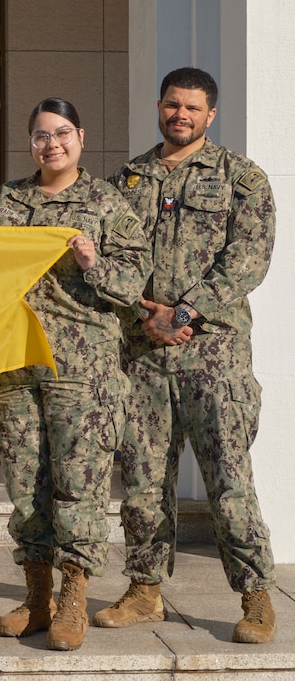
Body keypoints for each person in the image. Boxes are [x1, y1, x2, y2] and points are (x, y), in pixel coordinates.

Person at [95, 67, 277, 643]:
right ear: (159, 105)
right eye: (173, 105)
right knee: (144, 481)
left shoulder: (242, 178)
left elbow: (247, 260)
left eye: (193, 108)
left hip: (214, 355)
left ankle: (254, 598)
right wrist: (143, 316)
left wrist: (184, 313)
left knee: (229, 479)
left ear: (210, 115)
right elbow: (108, 262)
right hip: (145, 353)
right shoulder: (125, 181)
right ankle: (145, 590)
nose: (181, 115)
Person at [0, 98, 149, 651]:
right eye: (40, 136)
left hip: (83, 369)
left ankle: (75, 597)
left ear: (81, 135)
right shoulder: (5, 201)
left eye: (61, 133)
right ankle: (37, 596)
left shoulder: (107, 204)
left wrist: (95, 262)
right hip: (12, 366)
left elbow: (132, 287)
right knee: (26, 486)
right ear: (29, 143)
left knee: (79, 486)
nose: (51, 144)